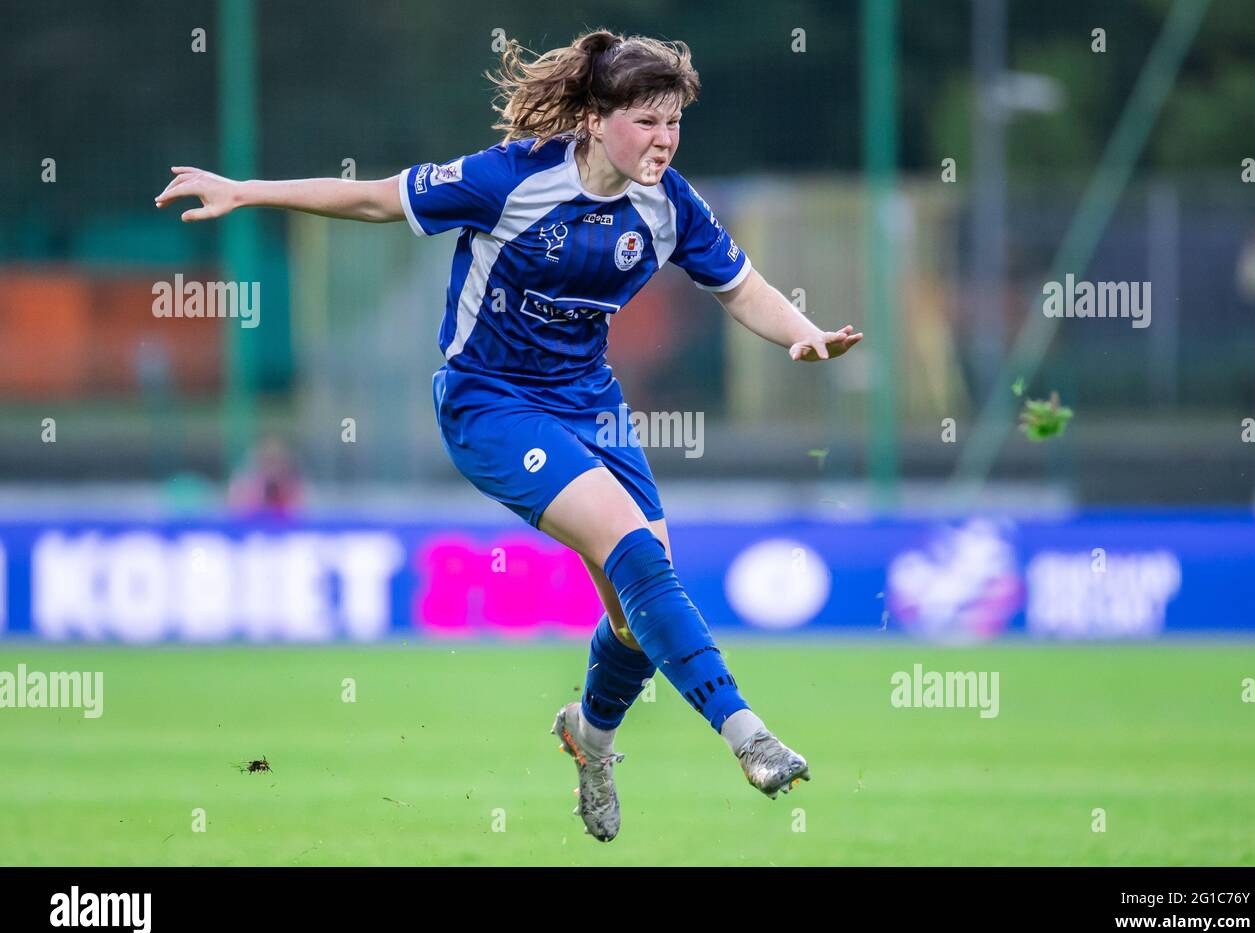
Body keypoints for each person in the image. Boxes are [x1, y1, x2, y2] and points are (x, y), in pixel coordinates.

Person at [155, 28, 862, 843]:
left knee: (637, 609)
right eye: (646, 121)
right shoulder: (511, 178)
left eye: (674, 122)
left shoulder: (669, 207)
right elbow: (376, 199)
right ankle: (748, 734)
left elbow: (741, 287)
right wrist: (247, 191)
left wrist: (801, 332)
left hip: (590, 406)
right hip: (490, 404)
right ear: (596, 120)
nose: (664, 139)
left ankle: (591, 737)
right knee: (634, 550)